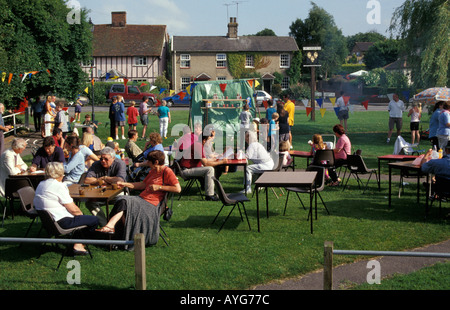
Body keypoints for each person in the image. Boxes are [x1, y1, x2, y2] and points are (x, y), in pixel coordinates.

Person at [96, 150, 181, 249]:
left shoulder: (167, 171)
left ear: (156, 162)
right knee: (121, 200)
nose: (147, 163)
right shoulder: (153, 171)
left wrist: (160, 187)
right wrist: (125, 184)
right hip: (142, 199)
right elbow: (142, 185)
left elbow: (178, 189)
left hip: (152, 205)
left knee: (124, 201)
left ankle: (111, 229)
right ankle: (115, 235)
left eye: (149, 161)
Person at [34, 162, 99, 255]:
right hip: (61, 222)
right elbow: (74, 210)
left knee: (83, 219)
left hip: (49, 222)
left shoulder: (41, 184)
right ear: (61, 174)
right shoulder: (58, 186)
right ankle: (78, 245)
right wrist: (82, 217)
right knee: (94, 220)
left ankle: (76, 239)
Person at [178, 131, 228, 201]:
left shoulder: (199, 145)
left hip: (190, 168)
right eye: (208, 140)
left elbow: (206, 160)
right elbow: (205, 163)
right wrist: (221, 162)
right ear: (204, 140)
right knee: (209, 169)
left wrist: (216, 160)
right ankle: (209, 195)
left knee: (211, 168)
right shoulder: (198, 146)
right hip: (186, 171)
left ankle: (212, 191)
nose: (210, 142)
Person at [83, 147, 127, 226]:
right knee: (90, 203)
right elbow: (87, 180)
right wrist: (100, 181)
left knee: (123, 200)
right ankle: (105, 225)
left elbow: (120, 180)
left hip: (119, 192)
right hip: (101, 193)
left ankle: (120, 226)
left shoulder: (120, 163)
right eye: (101, 158)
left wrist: (105, 178)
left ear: (113, 158)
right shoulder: (96, 164)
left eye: (106, 159)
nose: (103, 161)